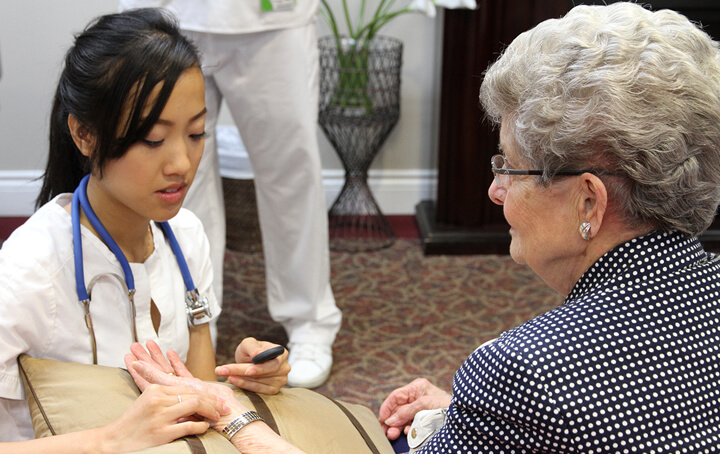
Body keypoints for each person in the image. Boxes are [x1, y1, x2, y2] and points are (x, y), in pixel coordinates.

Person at [376, 2, 720, 453]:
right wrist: (476, 418)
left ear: (588, 202)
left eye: (510, 167)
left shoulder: (527, 371)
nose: (495, 191)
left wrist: (258, 425)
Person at [0, 8, 289, 448]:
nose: (182, 164)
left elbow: (198, 397)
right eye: (153, 140)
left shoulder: (186, 236)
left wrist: (238, 385)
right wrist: (111, 440)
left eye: (196, 134)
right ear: (84, 135)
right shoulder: (27, 273)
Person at [116, 0, 343, 389]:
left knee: (290, 172)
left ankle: (309, 319)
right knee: (175, 178)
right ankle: (188, 320)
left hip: (271, 21)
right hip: (169, 13)